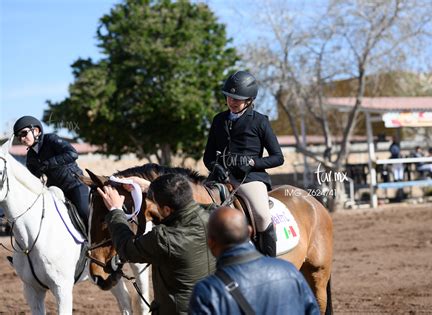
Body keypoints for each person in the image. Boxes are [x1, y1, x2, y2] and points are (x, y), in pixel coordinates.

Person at [98, 173, 216, 315]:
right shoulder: (215, 215)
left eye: (158, 205)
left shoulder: (164, 238)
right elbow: (189, 203)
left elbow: (127, 249)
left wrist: (115, 210)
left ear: (167, 210)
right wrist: (151, 187)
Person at [203, 70, 284, 257]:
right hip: (220, 178)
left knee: (263, 217)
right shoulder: (218, 120)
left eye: (237, 99)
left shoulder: (260, 121)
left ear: (249, 100)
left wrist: (251, 162)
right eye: (229, 97)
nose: (232, 102)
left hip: (250, 178)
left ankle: (269, 261)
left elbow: (278, 157)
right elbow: (207, 157)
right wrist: (215, 167)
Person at [188, 206, 319, 315]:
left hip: (250, 181)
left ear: (210, 243)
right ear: (249, 232)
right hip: (222, 183)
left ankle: (270, 251)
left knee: (262, 216)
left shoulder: (206, 291)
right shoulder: (290, 270)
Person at [13, 116, 89, 227]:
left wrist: (48, 164)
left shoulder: (51, 139)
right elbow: (34, 178)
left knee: (83, 212)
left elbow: (72, 154)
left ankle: (91, 241)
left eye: (24, 134)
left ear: (36, 131)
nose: (22, 139)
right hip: (56, 192)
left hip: (75, 184)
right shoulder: (30, 157)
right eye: (19, 137)